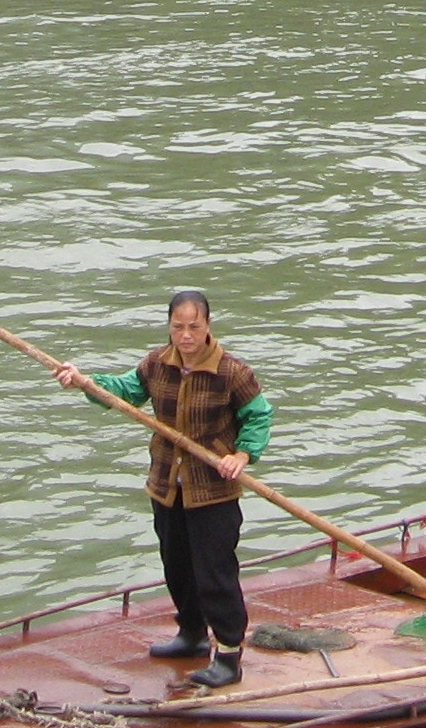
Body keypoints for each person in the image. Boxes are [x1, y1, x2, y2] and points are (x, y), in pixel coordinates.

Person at [56, 288, 273, 689]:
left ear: (208, 325)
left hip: (212, 490)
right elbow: (125, 391)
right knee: (177, 565)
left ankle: (228, 655)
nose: (186, 336)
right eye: (178, 327)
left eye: (194, 327)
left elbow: (258, 417)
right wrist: (85, 382)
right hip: (167, 486)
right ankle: (191, 633)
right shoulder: (157, 364)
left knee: (215, 573)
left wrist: (242, 455)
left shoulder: (233, 373)